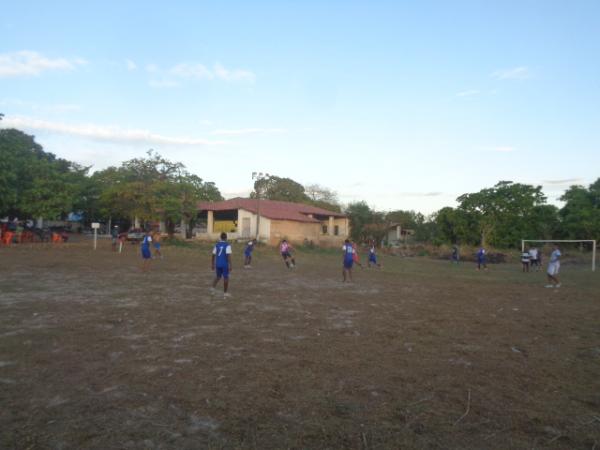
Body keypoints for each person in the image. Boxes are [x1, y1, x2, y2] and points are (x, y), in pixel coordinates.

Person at [211, 232, 232, 297]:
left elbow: (213, 255)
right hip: (224, 264)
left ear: (220, 237)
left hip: (218, 264)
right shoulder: (227, 245)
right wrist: (230, 264)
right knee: (226, 278)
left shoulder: (217, 245)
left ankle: (212, 289)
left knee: (218, 277)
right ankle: (225, 293)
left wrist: (212, 264)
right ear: (226, 238)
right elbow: (228, 255)